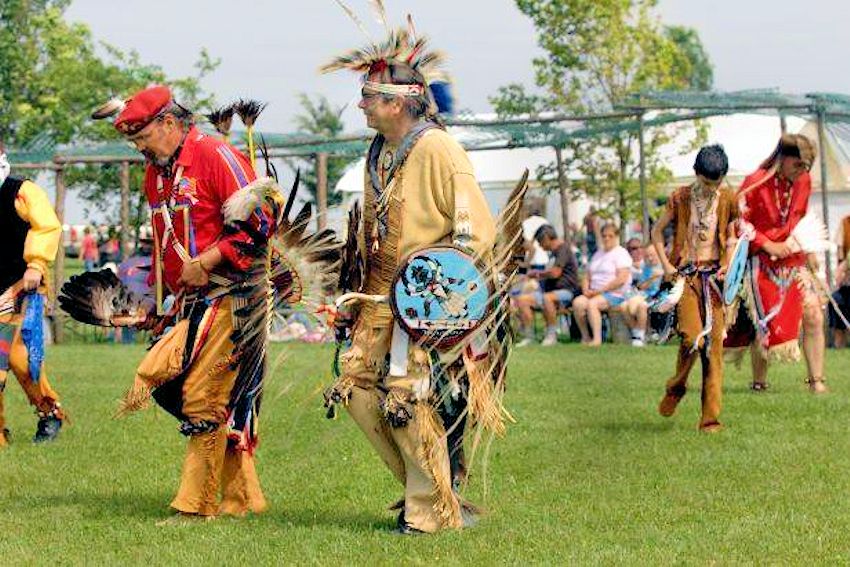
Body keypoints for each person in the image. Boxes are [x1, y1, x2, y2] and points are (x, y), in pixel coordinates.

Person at [320, 25, 503, 534]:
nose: (361, 106)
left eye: (370, 97)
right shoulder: (377, 152)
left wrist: (434, 293)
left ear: (400, 103)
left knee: (404, 397)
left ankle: (429, 511)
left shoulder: (439, 150)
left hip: (422, 301)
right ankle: (431, 490)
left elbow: (475, 231)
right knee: (355, 391)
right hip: (376, 297)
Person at [105, 85, 269, 520]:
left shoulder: (215, 155)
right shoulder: (156, 172)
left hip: (233, 295)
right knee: (172, 385)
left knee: (202, 395)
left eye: (143, 138)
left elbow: (261, 222)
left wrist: (211, 259)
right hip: (189, 301)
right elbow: (165, 243)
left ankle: (196, 506)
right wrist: (159, 302)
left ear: (170, 124)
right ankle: (241, 498)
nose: (140, 148)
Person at [726, 134, 827, 393]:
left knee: (814, 312)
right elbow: (738, 221)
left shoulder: (804, 181)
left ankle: (817, 382)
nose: (802, 172)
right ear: (782, 159)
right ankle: (760, 383)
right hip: (760, 258)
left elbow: (800, 217)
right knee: (763, 320)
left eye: (806, 167)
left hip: (793, 256)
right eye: (798, 165)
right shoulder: (755, 182)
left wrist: (808, 248)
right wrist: (768, 244)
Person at [653, 145, 738, 432]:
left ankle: (710, 420)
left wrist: (728, 262)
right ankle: (676, 388)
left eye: (717, 183)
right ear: (696, 174)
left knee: (713, 348)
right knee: (691, 339)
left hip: (714, 278)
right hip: (686, 277)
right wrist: (666, 265)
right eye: (706, 183)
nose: (712, 188)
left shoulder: (728, 197)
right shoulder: (679, 197)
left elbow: (730, 235)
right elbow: (655, 232)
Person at [0, 139, 65, 445]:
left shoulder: (23, 191)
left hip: (20, 288)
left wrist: (36, 264)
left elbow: (47, 226)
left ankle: (49, 412)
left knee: (19, 360)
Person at [572, 223, 639, 346]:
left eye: (610, 236)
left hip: (616, 293)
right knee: (578, 303)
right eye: (604, 236)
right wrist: (586, 288)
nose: (606, 239)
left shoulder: (621, 253)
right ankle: (585, 336)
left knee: (593, 304)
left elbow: (621, 279)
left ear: (616, 237)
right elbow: (587, 275)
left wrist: (600, 290)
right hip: (595, 292)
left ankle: (597, 339)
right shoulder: (598, 254)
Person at [513, 225, 581, 346]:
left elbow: (555, 273)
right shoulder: (553, 253)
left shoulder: (563, 249)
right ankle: (529, 337)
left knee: (547, 298)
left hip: (567, 291)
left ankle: (551, 336)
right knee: (522, 300)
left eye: (540, 241)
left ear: (546, 238)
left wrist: (537, 273)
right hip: (550, 292)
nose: (539, 245)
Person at [829, 214, 850, 348]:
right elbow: (841, 258)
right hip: (847, 283)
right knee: (835, 301)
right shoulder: (845, 223)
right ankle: (839, 345)